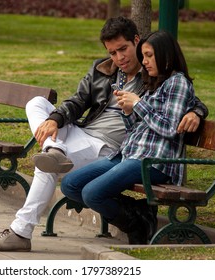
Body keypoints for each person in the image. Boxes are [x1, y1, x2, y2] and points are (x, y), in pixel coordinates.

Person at [0, 17, 208, 251]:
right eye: (113, 52)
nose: (119, 58)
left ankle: (20, 231)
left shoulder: (154, 76)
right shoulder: (104, 70)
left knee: (47, 168)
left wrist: (197, 111)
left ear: (136, 41)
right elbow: (78, 101)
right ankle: (53, 149)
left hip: (109, 147)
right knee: (37, 103)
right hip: (90, 136)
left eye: (124, 50)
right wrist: (55, 119)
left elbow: (186, 96)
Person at [60, 30, 198, 244]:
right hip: (129, 155)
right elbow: (138, 129)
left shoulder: (177, 83)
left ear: (167, 56)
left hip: (154, 162)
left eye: (150, 55)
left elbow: (171, 129)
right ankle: (139, 211)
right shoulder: (155, 82)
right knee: (70, 184)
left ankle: (135, 225)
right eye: (144, 56)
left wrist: (138, 104)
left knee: (92, 193)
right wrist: (128, 113)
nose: (145, 62)